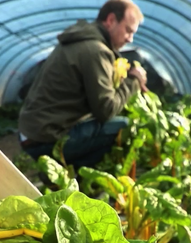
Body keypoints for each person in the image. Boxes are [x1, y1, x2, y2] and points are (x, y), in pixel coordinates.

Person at [18, 0, 148, 172]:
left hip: (32, 132)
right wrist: (133, 82)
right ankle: (70, 177)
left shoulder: (81, 40)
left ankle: (66, 177)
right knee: (124, 127)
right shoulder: (96, 50)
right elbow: (106, 110)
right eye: (128, 30)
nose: (130, 39)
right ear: (110, 20)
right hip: (45, 139)